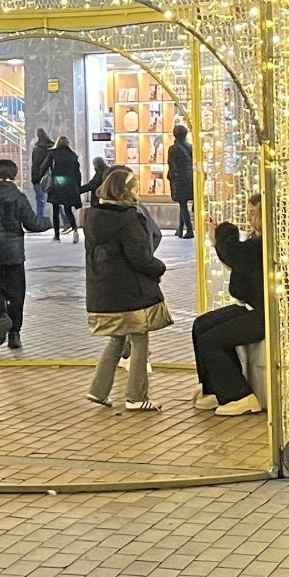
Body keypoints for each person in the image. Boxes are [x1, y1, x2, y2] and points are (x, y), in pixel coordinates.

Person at [82, 166, 169, 412]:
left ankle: (98, 390)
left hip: (103, 291)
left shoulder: (92, 217)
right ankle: (136, 396)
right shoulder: (129, 219)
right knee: (140, 339)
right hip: (130, 292)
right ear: (125, 191)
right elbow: (140, 257)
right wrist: (159, 268)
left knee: (117, 339)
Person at [189, 194, 266, 416]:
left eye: (254, 214)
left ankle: (239, 394)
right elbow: (235, 260)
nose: (250, 219)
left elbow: (237, 256)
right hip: (250, 306)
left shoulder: (266, 243)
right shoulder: (256, 240)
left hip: (266, 313)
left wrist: (224, 233)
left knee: (212, 339)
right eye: (249, 213)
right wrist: (219, 240)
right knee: (201, 325)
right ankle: (215, 389)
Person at [0, 157, 51, 349]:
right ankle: (15, 334)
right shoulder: (19, 198)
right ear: (14, 175)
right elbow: (32, 224)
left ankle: (1, 316)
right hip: (15, 254)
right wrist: (49, 222)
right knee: (16, 294)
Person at [46, 135, 83, 241]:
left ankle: (56, 235)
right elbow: (77, 172)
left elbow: (44, 167)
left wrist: (39, 177)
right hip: (69, 184)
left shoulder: (52, 154)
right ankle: (75, 229)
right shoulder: (73, 155)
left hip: (57, 183)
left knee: (55, 210)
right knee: (68, 209)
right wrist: (78, 186)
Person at [167, 124, 195, 238]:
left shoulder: (173, 149)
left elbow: (172, 166)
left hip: (179, 180)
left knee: (182, 204)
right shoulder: (190, 147)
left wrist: (171, 177)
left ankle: (189, 230)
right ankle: (180, 228)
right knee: (182, 204)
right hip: (190, 179)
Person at [30, 128, 55, 220]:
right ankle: (67, 222)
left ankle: (39, 221)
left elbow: (35, 165)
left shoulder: (36, 149)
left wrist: (35, 178)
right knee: (58, 202)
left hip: (38, 178)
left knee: (40, 202)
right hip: (52, 178)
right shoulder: (52, 148)